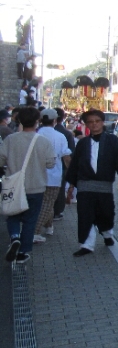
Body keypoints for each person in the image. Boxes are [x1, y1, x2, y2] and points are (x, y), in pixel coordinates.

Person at [66, 110, 118, 257]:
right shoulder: (82, 143)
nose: (94, 124)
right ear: (86, 124)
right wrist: (71, 186)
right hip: (85, 184)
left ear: (103, 122)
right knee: (85, 214)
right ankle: (86, 244)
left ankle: (107, 233)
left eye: (97, 121)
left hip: (104, 185)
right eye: (90, 122)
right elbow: (75, 165)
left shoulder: (112, 141)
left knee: (105, 213)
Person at [1, 107, 56, 264]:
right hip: (36, 186)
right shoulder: (43, 141)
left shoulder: (10, 139)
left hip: (13, 186)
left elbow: (1, 159)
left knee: (12, 215)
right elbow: (51, 163)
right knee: (30, 220)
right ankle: (22, 252)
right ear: (37, 121)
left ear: (19, 120)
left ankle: (14, 237)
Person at [33, 109, 72, 243]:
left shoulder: (35, 134)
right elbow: (66, 157)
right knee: (48, 204)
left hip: (35, 175)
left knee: (43, 203)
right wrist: (72, 173)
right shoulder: (60, 136)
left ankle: (49, 226)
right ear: (55, 120)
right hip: (54, 175)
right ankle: (35, 231)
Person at [53, 108, 76, 222]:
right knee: (60, 189)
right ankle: (57, 211)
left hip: (43, 166)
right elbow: (71, 152)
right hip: (62, 166)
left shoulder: (40, 131)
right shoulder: (66, 133)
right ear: (63, 118)